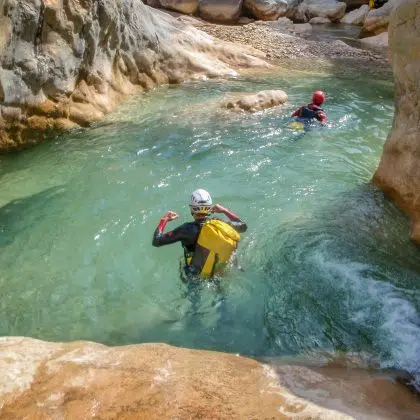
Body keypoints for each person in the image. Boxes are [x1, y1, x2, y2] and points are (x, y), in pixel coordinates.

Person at [152, 189, 247, 279]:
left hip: (195, 275)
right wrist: (224, 210)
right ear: (209, 207)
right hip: (216, 272)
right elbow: (242, 226)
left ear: (191, 209)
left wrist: (164, 220)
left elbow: (156, 241)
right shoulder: (218, 224)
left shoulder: (186, 229)